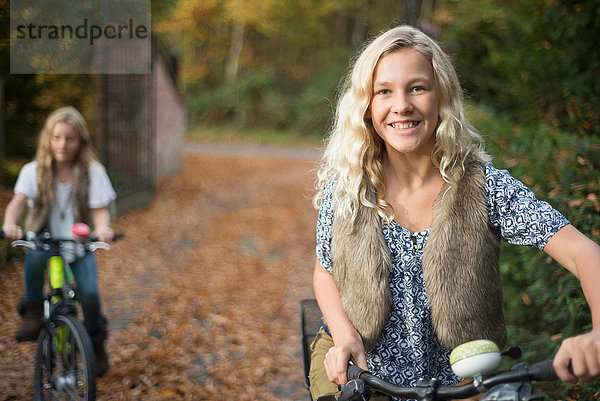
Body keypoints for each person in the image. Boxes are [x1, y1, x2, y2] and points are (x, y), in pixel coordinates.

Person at [310, 25, 600, 400]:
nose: (401, 105)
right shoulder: (346, 186)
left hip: (464, 385)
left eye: (417, 87)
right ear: (366, 105)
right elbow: (324, 271)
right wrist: (344, 335)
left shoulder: (485, 186)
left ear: (441, 97)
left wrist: (597, 334)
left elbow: (583, 251)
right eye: (384, 91)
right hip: (362, 375)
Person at [2, 106, 117, 377]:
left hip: (78, 245)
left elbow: (101, 212)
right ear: (48, 139)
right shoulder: (34, 171)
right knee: (36, 254)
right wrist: (9, 224)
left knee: (89, 293)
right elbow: (17, 203)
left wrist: (102, 229)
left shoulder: (92, 171)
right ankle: (32, 309)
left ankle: (95, 341)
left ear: (81, 142)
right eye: (57, 137)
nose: (62, 144)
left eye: (70, 138)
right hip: (44, 241)